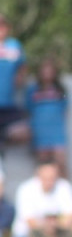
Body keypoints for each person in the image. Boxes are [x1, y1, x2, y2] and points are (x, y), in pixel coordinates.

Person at [26, 57, 70, 177]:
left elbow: (65, 109)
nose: (47, 73)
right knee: (42, 166)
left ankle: (66, 190)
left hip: (57, 133)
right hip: (40, 133)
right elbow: (28, 110)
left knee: (61, 163)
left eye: (50, 70)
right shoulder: (32, 90)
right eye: (44, 70)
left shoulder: (61, 90)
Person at [0, 13, 28, 144]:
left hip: (7, 103)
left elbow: (23, 66)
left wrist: (20, 76)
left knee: (24, 133)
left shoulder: (14, 45)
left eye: (2, 25)